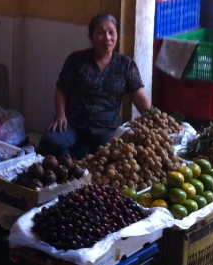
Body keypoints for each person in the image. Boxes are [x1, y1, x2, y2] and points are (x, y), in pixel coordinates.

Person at [38, 14, 151, 159]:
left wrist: (154, 119)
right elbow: (61, 91)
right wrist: (60, 116)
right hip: (73, 124)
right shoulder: (76, 60)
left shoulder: (126, 64)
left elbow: (139, 97)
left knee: (115, 154)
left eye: (111, 32)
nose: (107, 38)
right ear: (91, 37)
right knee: (50, 141)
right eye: (100, 33)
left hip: (106, 128)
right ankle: (73, 160)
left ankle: (75, 157)